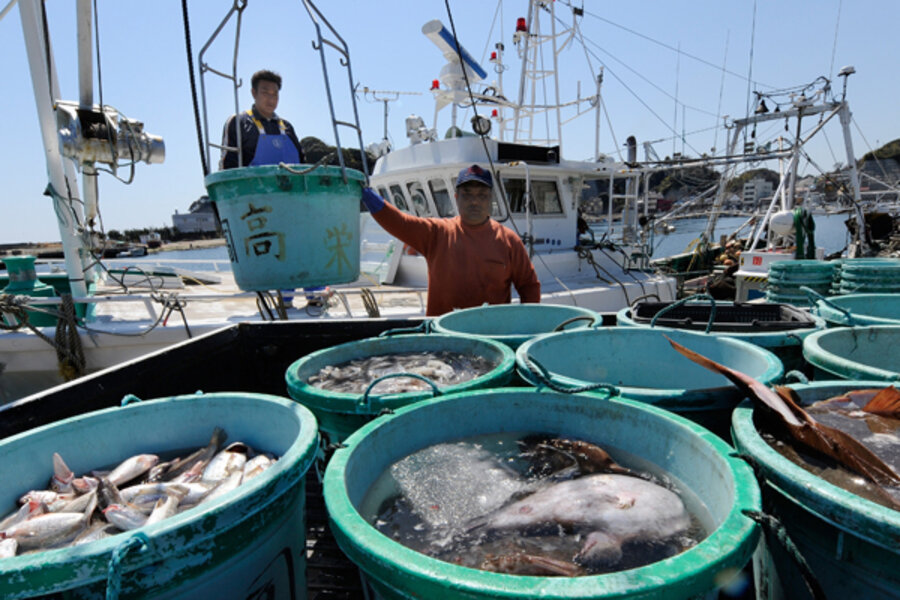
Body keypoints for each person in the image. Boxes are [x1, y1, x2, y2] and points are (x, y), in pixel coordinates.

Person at [360, 165, 541, 316]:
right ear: (456, 198)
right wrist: (366, 193)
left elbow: (529, 286)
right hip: (443, 338)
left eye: (482, 195)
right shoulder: (437, 233)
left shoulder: (510, 241)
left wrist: (526, 324)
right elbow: (399, 222)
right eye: (467, 194)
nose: (474, 202)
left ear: (491, 199)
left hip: (492, 337)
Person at [219, 69, 305, 169]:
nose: (271, 99)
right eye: (265, 93)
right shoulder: (238, 122)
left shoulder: (287, 127)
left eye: (275, 94)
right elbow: (227, 167)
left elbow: (302, 164)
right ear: (254, 93)